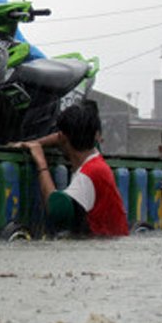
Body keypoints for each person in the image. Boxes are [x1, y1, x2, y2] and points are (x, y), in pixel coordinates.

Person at [14, 100, 129, 236]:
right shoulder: (95, 158)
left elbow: (56, 210)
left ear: (64, 138)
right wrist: (34, 143)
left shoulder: (89, 174)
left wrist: (41, 163)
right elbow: (59, 137)